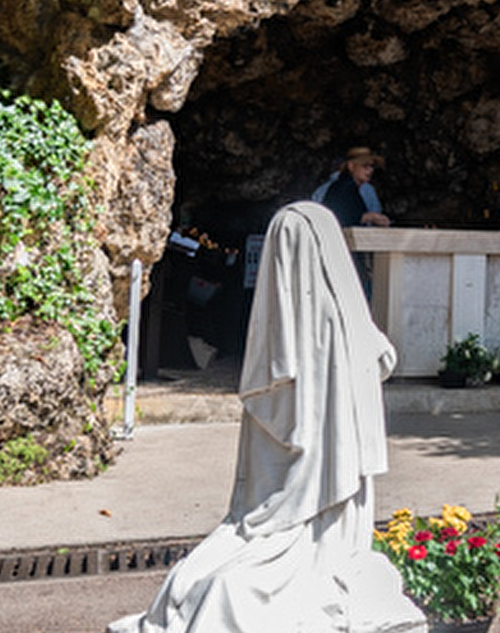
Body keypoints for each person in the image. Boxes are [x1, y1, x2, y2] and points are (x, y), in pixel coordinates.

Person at [109, 202, 424, 633]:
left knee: (233, 573)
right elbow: (383, 357)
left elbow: (270, 391)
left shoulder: (290, 331)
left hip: (294, 489)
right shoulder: (351, 320)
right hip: (343, 488)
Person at [313, 147, 391, 228]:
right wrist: (367, 217)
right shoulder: (343, 188)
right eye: (365, 166)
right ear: (351, 166)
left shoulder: (352, 187)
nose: (370, 170)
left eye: (372, 166)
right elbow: (339, 217)